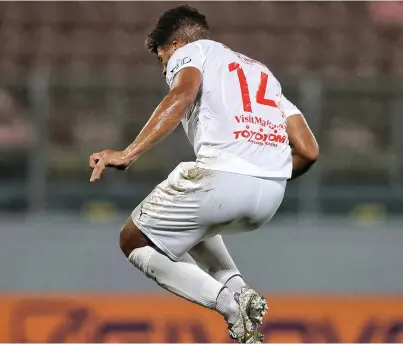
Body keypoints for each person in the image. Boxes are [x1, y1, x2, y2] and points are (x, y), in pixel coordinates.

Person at [89, 5, 318, 343]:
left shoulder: (193, 52)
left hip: (221, 179)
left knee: (134, 239)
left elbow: (182, 94)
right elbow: (309, 150)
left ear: (176, 45)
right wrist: (266, 172)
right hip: (271, 195)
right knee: (193, 223)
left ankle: (229, 306)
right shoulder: (262, 73)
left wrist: (128, 152)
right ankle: (242, 295)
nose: (164, 67)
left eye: (162, 59)